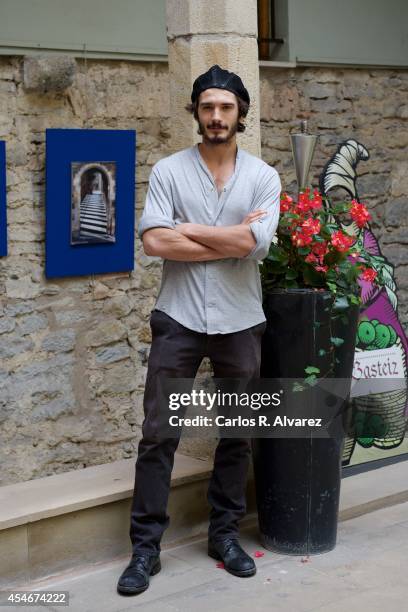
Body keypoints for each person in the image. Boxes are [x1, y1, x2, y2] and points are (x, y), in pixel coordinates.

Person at [117, 64, 281, 596]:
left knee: (238, 434)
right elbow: (154, 244)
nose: (216, 116)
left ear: (241, 114)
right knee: (158, 434)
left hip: (240, 320)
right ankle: (145, 549)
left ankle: (225, 535)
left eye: (226, 107)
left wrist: (187, 227)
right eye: (207, 107)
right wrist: (230, 236)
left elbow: (255, 245)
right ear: (196, 112)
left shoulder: (262, 177)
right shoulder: (168, 171)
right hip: (178, 317)